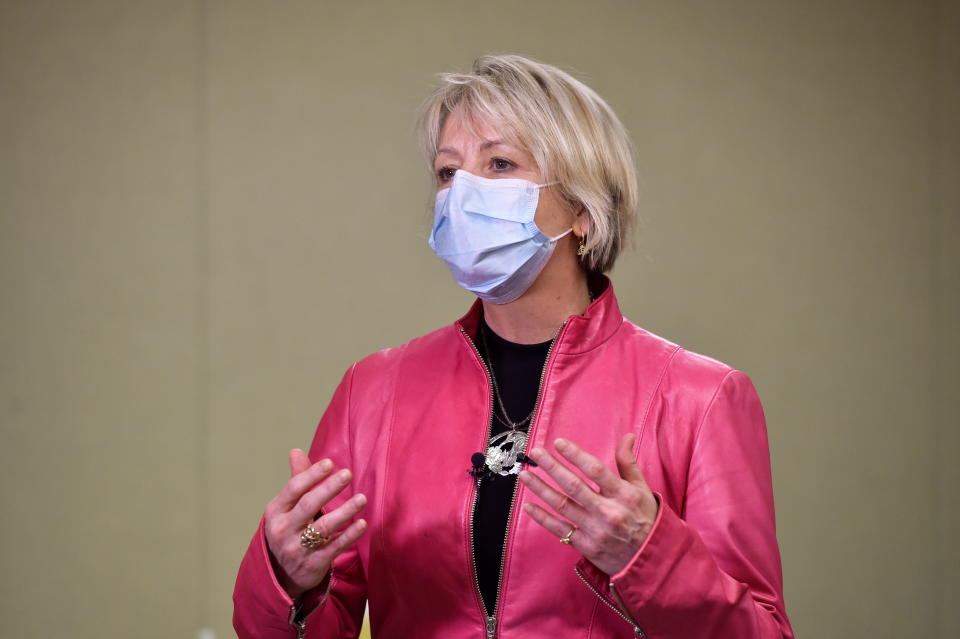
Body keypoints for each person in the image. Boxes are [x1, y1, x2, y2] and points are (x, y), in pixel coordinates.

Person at [233, 53, 794, 639]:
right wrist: (286, 583)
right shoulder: (373, 392)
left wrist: (647, 556)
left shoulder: (699, 398)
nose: (463, 193)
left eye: (499, 163)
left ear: (582, 206)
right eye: (449, 173)